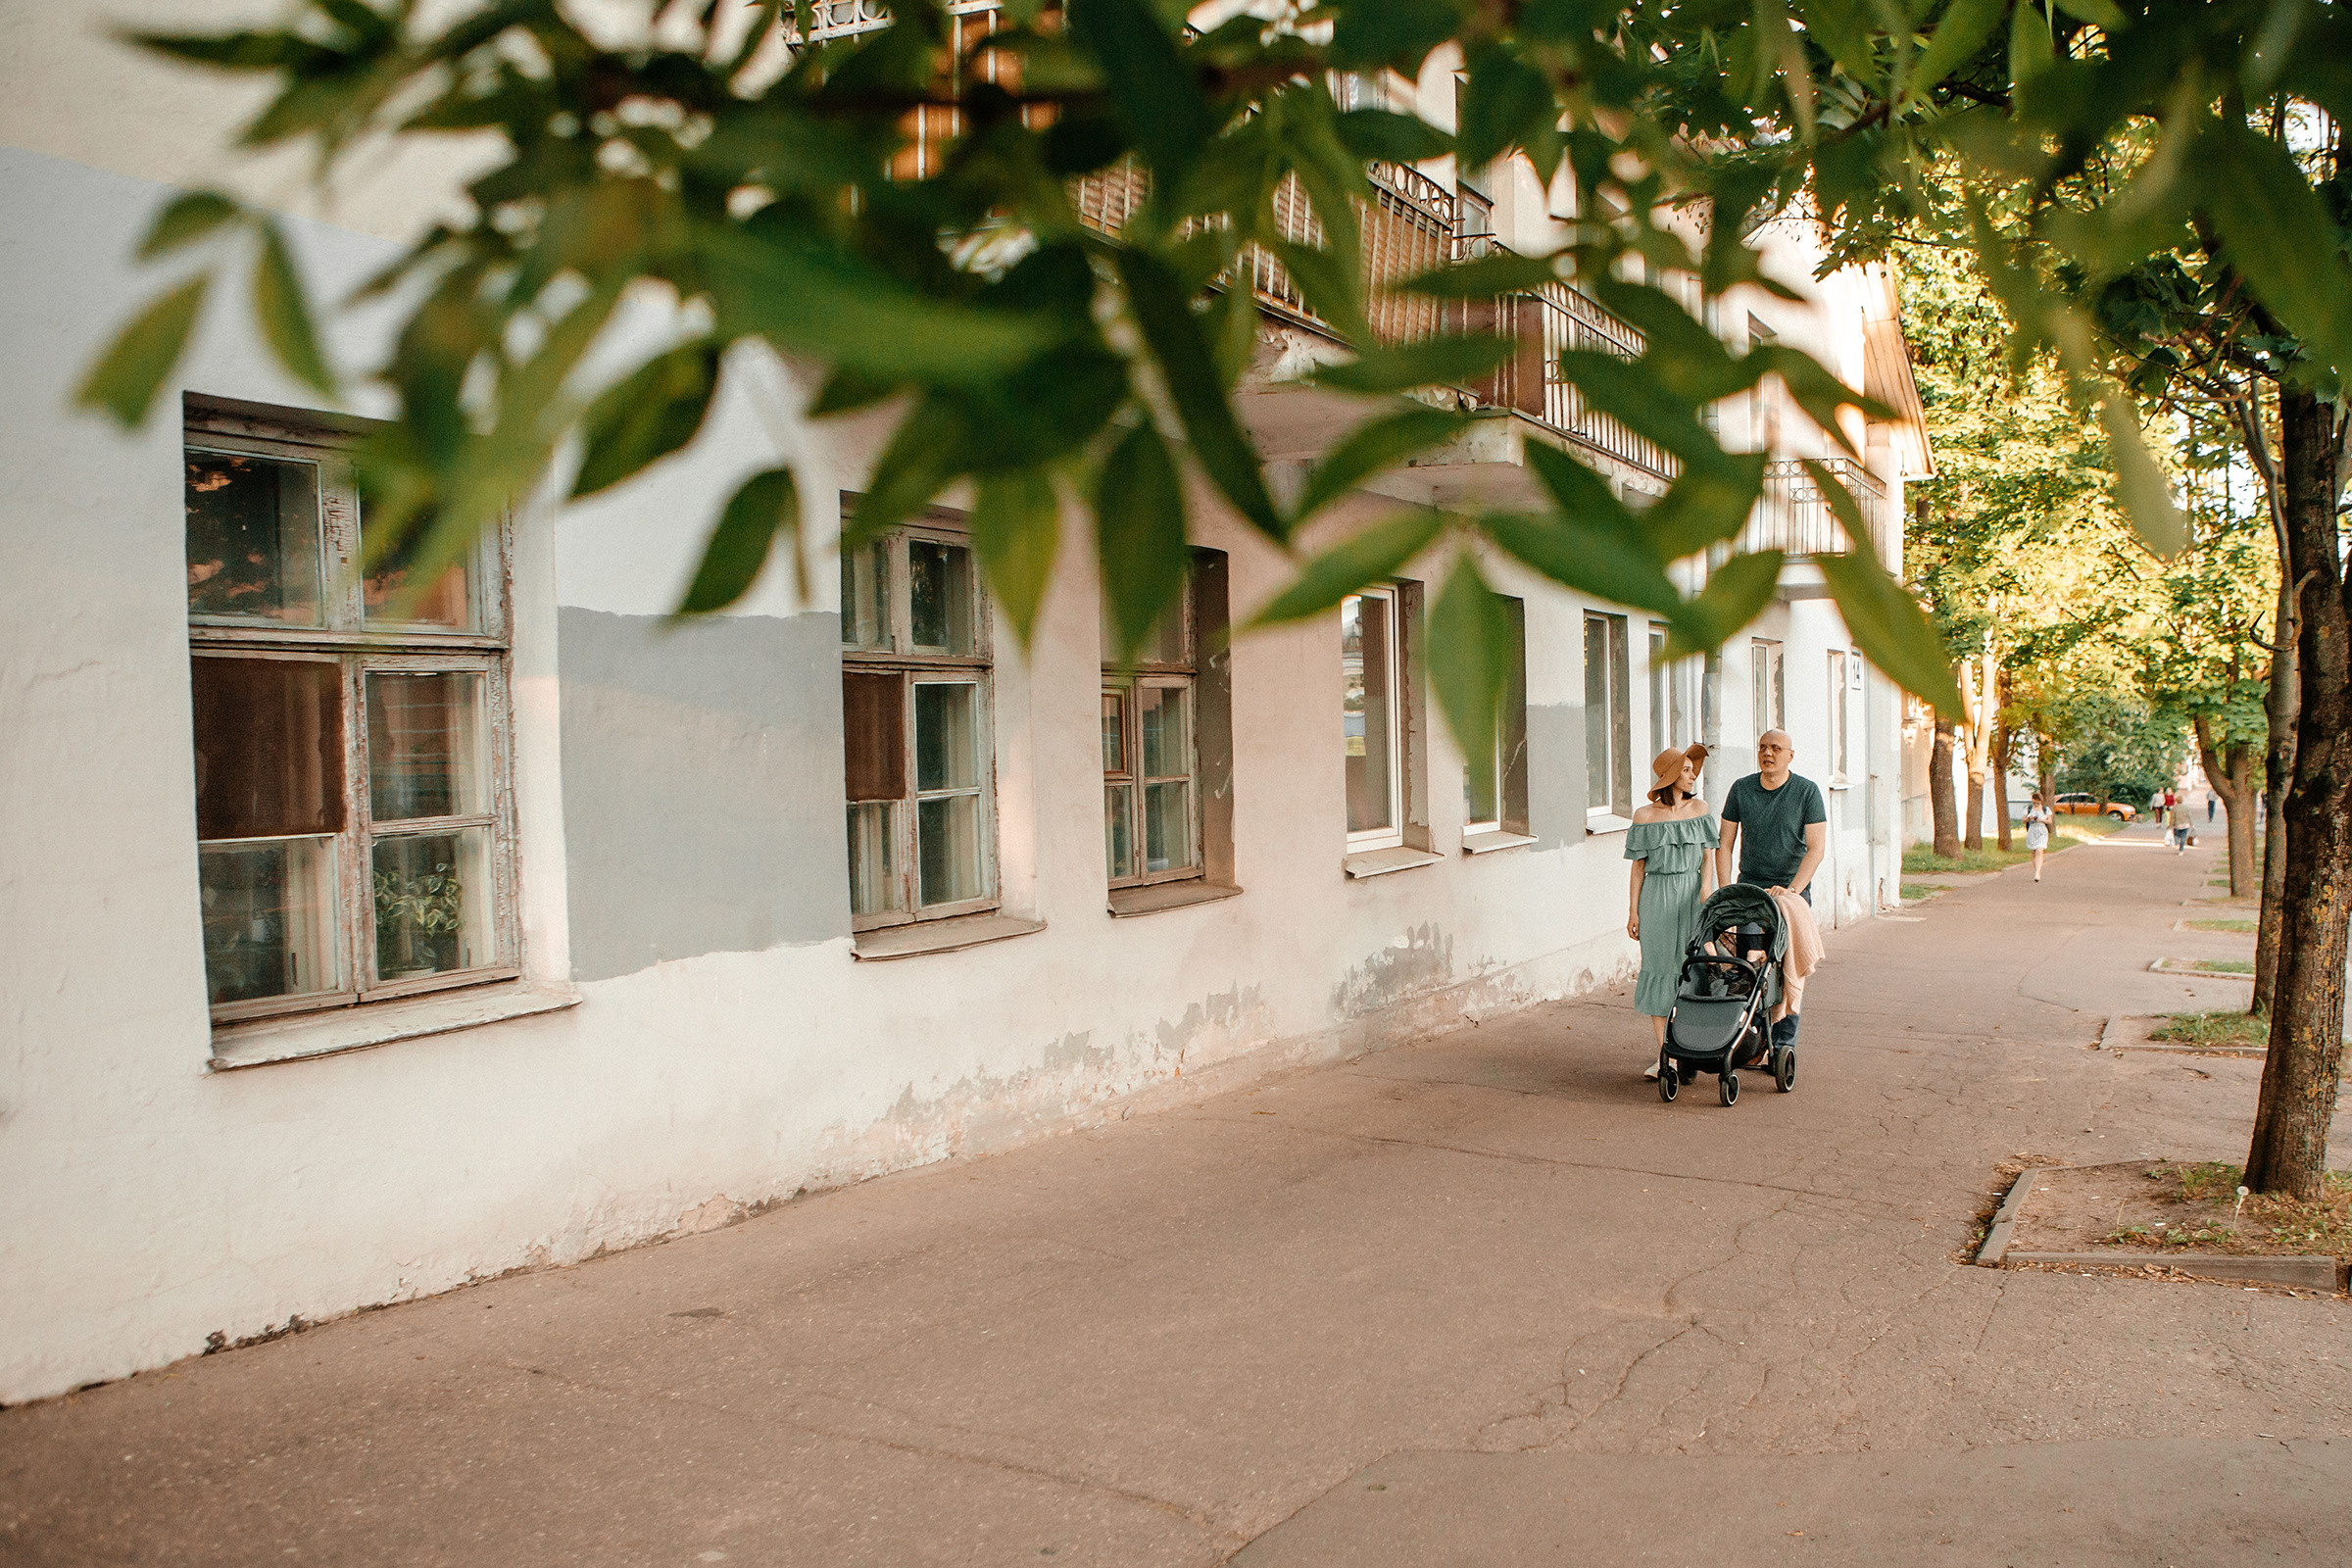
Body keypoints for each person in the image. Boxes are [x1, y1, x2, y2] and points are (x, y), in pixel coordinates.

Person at [1716, 729, 1828, 1054]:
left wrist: (1792, 890)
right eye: (1763, 747)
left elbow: (1816, 849)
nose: (1768, 753)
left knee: (1786, 966)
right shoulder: (1741, 789)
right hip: (1750, 894)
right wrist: (1727, 891)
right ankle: (1751, 1041)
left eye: (1776, 748)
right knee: (1749, 967)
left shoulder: (1806, 792)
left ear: (1790, 755)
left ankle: (1783, 1044)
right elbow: (1724, 844)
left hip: (1791, 895)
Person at [1626, 745, 1718, 1079]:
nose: (1693, 775)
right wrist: (1633, 912)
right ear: (1670, 777)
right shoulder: (1644, 816)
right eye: (1686, 770)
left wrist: (1707, 889)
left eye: (1694, 770)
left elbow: (1708, 856)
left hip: (1692, 895)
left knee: (1694, 969)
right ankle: (1667, 1056)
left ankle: (1692, 1048)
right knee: (1660, 970)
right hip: (1656, 897)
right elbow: (1638, 868)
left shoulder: (1700, 809)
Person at [2023, 792, 2054, 881]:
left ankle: (2037, 873)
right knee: (2033, 852)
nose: (2036, 804)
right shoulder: (2028, 809)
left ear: (2041, 802)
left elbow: (2050, 821)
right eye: (2034, 802)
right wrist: (2029, 818)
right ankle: (2036, 870)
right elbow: (2023, 820)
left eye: (2038, 803)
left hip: (2042, 831)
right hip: (2032, 831)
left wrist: (2041, 820)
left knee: (2040, 850)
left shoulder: (2045, 809)